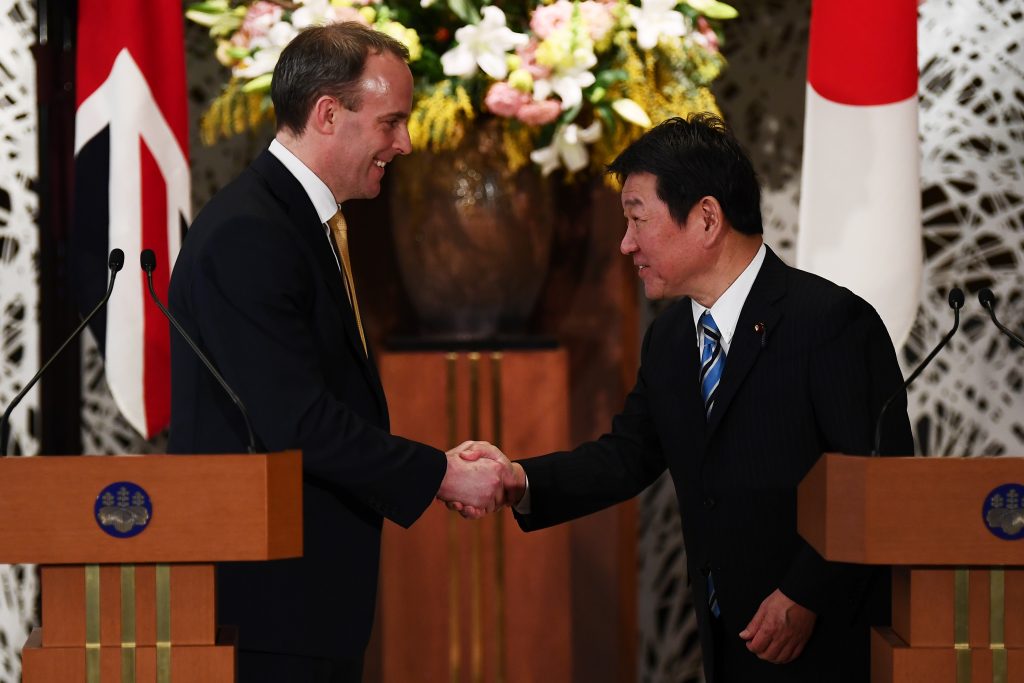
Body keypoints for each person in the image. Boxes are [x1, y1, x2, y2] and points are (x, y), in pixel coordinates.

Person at [455, 113, 914, 682]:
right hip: (728, 640)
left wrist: (805, 594)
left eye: (637, 219)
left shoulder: (830, 321)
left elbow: (877, 482)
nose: (626, 245)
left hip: (828, 642)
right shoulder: (672, 337)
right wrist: (519, 480)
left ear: (706, 218)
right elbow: (628, 455)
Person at [168, 23, 504, 683]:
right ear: (328, 113)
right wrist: (439, 472)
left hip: (301, 607)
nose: (405, 143)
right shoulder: (251, 233)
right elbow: (296, 422)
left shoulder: (294, 220)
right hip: (266, 613)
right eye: (392, 122)